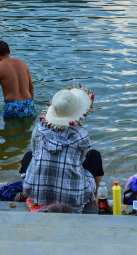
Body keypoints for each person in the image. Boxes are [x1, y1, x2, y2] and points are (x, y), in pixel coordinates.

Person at [21, 84, 103, 213]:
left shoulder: (38, 128)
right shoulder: (81, 134)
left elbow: (36, 152)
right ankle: (92, 199)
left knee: (28, 156)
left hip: (38, 195)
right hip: (73, 199)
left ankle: (36, 197)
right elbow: (80, 162)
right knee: (94, 156)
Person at [0, 41, 35, 118]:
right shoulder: (22, 64)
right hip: (28, 104)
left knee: (6, 125)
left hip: (12, 107)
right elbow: (30, 86)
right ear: (9, 51)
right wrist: (30, 103)